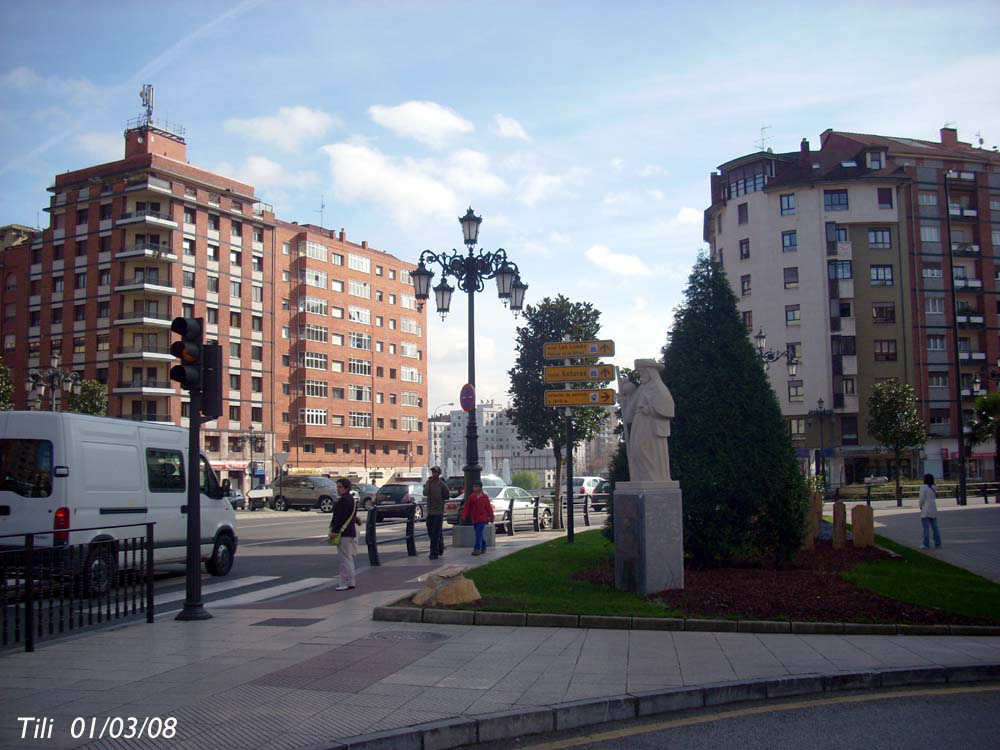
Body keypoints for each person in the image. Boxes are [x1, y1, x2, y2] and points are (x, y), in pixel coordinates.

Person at [620, 358, 675, 482]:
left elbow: (668, 408)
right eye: (640, 373)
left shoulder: (658, 387)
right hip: (639, 425)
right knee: (636, 449)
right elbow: (630, 411)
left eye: (642, 373)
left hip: (651, 427)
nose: (641, 376)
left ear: (650, 372)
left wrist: (650, 410)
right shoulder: (642, 388)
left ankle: (653, 477)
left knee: (644, 450)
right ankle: (642, 477)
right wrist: (626, 399)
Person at [330, 478, 359, 590]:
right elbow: (349, 515)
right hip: (349, 531)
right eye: (337, 486)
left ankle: (346, 582)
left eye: (340, 487)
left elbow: (340, 518)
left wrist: (334, 531)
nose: (337, 489)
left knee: (344, 559)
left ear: (346, 488)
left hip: (344, 533)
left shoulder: (343, 500)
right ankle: (350, 582)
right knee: (347, 558)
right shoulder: (351, 499)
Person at [461, 480, 494, 556]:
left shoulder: (485, 497)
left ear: (480, 487)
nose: (474, 488)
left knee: (478, 532)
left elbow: (489, 508)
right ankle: (484, 545)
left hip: (482, 518)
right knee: (478, 533)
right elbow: (467, 507)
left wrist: (491, 517)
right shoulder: (472, 496)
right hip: (475, 518)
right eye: (474, 486)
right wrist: (464, 515)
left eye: (476, 486)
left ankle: (477, 548)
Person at [423, 466, 448, 559]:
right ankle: (440, 545)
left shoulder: (441, 484)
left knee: (435, 533)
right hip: (430, 511)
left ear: (439, 473)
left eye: (436, 472)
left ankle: (434, 552)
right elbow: (425, 493)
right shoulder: (429, 482)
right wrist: (428, 484)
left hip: (438, 511)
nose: (434, 474)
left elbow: (446, 495)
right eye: (433, 472)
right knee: (430, 531)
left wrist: (441, 502)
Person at [918, 473, 942, 550]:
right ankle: (938, 543)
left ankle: (926, 544)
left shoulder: (923, 487)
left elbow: (921, 499)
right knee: (935, 528)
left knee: (926, 528)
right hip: (933, 508)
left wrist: (920, 506)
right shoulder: (934, 487)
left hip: (926, 509)